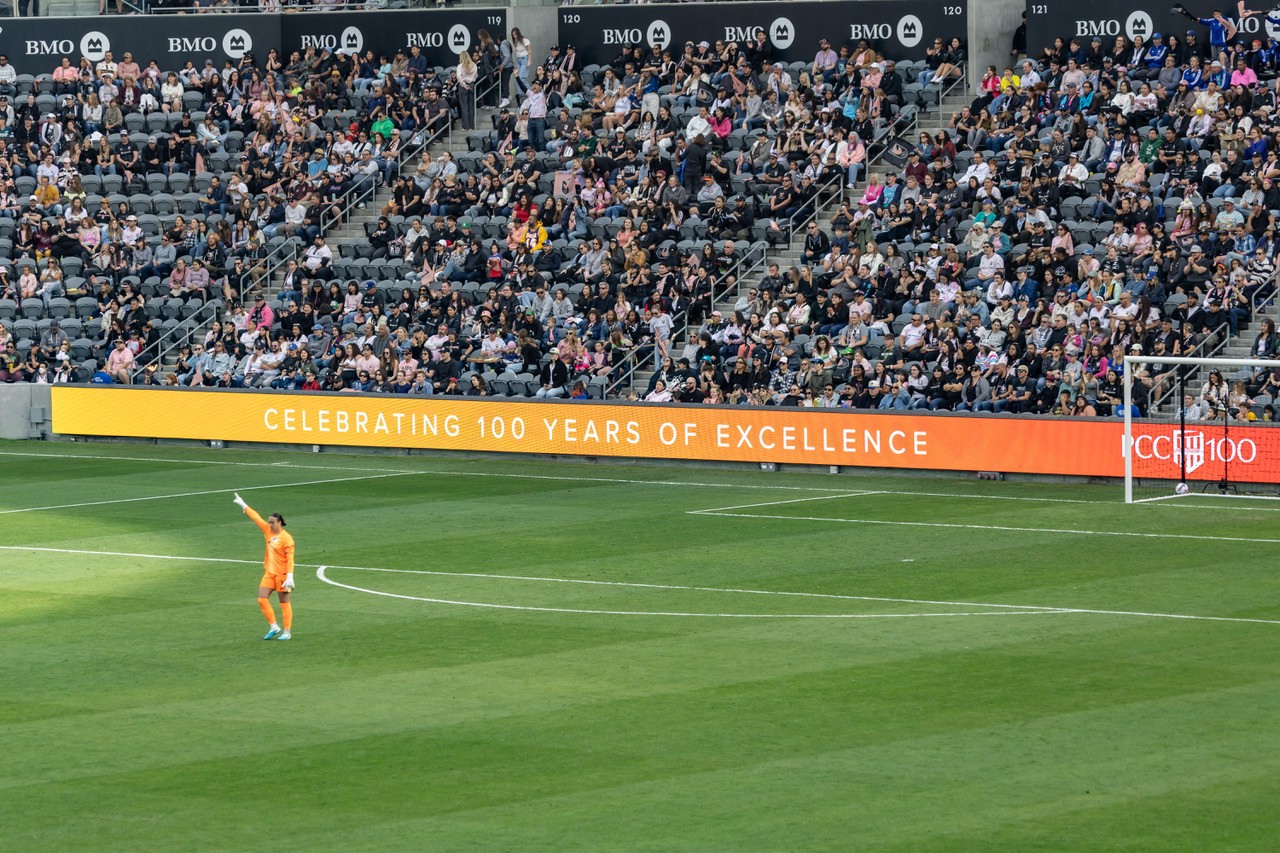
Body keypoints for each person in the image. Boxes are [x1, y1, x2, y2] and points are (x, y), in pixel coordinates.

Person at [232, 492, 295, 641]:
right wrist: (243, 505)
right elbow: (256, 518)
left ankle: (287, 632)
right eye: (270, 522)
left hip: (283, 576)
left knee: (284, 602)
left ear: (279, 523)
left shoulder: (287, 539)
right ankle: (274, 626)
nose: (270, 524)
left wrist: (291, 576)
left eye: (272, 522)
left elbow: (290, 559)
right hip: (269, 573)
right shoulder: (268, 530)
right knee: (261, 599)